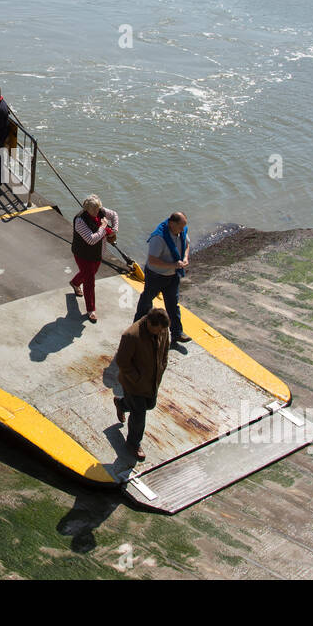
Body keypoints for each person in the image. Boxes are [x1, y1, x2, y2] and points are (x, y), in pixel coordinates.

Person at [114, 308, 171, 461]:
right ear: (149, 324)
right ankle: (133, 444)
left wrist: (162, 366)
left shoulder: (162, 329)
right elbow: (122, 361)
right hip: (134, 385)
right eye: (157, 330)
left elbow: (165, 349)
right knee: (139, 416)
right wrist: (136, 379)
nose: (160, 333)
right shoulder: (131, 336)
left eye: (162, 331)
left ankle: (121, 403)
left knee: (150, 405)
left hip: (152, 381)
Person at [132, 212, 194, 344]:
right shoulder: (158, 238)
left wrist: (185, 258)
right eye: (180, 227)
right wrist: (172, 265)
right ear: (172, 224)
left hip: (172, 276)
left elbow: (186, 244)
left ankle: (177, 333)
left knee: (173, 304)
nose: (183, 230)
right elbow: (152, 260)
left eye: (184, 227)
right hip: (156, 276)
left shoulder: (181, 231)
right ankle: (136, 331)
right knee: (146, 302)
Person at [70, 194, 119, 323]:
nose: (98, 212)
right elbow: (91, 240)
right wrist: (103, 228)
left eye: (98, 209)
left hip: (98, 253)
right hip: (83, 254)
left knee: (89, 274)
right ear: (87, 209)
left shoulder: (100, 211)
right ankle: (91, 310)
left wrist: (114, 229)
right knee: (90, 280)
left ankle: (75, 283)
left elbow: (114, 215)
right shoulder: (80, 221)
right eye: (94, 210)